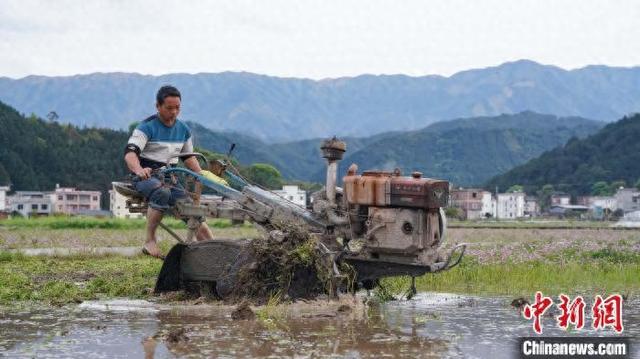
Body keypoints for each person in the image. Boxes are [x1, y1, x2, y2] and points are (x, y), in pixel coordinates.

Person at [124, 85, 215, 258]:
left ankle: (214, 249)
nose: (174, 112)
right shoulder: (146, 127)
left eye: (177, 108)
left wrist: (202, 176)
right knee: (162, 192)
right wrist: (139, 169)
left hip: (171, 177)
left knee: (192, 209)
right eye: (169, 108)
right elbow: (130, 154)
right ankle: (150, 241)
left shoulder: (183, 129)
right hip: (147, 177)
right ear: (158, 106)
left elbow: (189, 158)